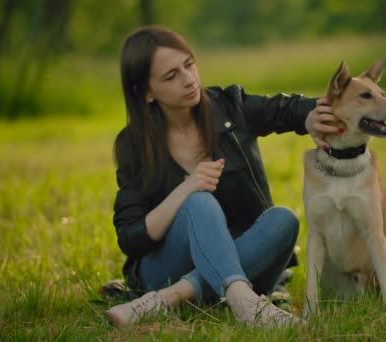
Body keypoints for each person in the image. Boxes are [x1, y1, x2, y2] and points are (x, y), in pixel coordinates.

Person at [105, 26, 339, 327]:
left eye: (189, 65)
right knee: (199, 202)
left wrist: (309, 115)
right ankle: (245, 303)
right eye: (170, 76)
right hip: (163, 269)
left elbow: (282, 109)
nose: (189, 80)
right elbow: (131, 237)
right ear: (147, 92)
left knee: (283, 220)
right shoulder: (134, 144)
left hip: (242, 253)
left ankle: (171, 299)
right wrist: (186, 190)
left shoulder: (230, 106)